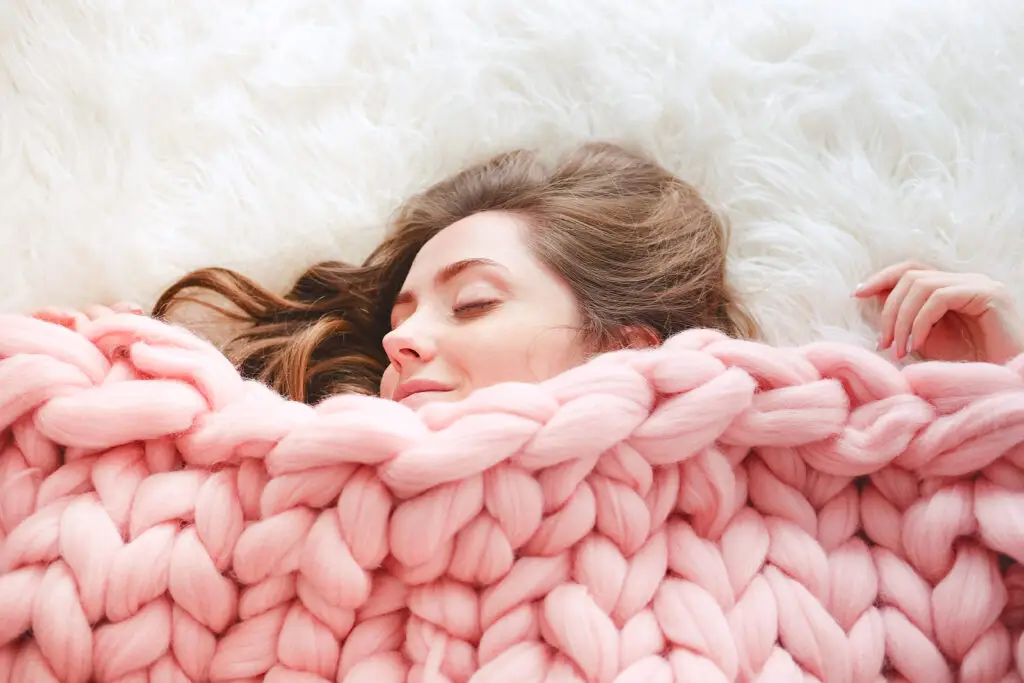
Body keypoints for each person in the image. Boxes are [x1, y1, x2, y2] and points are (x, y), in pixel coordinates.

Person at [51, 142, 1024, 407]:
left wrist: (986, 408)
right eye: (401, 312)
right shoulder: (304, 471)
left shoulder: (784, 489)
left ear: (627, 345)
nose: (398, 337)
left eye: (471, 300)